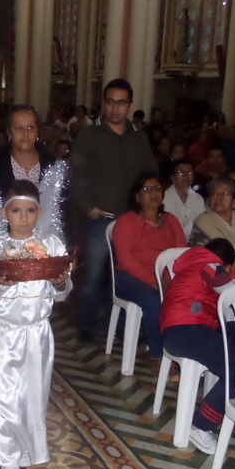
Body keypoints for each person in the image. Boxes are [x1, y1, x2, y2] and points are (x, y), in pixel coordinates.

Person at [0, 180, 72, 469]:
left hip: (38, 334)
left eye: (29, 211)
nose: (23, 218)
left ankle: (28, 448)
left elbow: (64, 292)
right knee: (5, 397)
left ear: (38, 213)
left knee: (33, 396)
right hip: (6, 334)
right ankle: (8, 459)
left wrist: (60, 282)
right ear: (5, 213)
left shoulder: (51, 246)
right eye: (16, 211)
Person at [69, 78, 158, 345]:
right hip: (100, 219)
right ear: (103, 103)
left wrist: (145, 208)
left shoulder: (138, 137)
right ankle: (86, 324)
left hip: (130, 221)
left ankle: (117, 326)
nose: (115, 108)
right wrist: (88, 207)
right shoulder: (89, 136)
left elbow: (149, 174)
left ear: (129, 105)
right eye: (110, 101)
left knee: (123, 277)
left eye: (121, 102)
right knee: (94, 275)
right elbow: (74, 175)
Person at [159, 241, 235, 454]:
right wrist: (234, 274)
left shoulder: (192, 265)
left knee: (234, 333)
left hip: (180, 331)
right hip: (188, 331)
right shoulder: (212, 267)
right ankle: (201, 425)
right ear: (227, 264)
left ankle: (221, 398)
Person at [111, 172, 187, 375]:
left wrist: (169, 280)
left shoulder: (171, 221)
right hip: (129, 277)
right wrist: (154, 281)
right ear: (137, 196)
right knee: (154, 300)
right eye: (147, 189)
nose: (153, 193)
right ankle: (157, 354)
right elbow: (126, 258)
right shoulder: (127, 221)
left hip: (165, 276)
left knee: (186, 297)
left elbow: (180, 254)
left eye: (157, 188)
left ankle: (180, 351)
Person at [0, 105, 55, 196]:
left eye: (30, 128)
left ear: (37, 132)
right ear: (9, 133)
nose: (25, 133)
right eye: (19, 128)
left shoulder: (53, 167)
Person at [190, 176, 235, 248]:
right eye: (214, 193)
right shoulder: (203, 221)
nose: (218, 198)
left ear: (234, 202)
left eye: (225, 194)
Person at [163, 160, 207, 240]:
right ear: (173, 177)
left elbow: (202, 224)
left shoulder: (198, 199)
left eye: (189, 172)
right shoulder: (164, 198)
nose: (186, 175)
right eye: (181, 172)